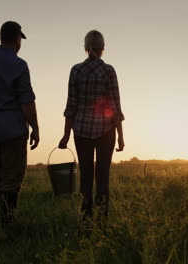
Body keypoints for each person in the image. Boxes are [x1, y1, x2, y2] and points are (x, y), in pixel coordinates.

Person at [0, 21, 39, 226]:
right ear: (17, 39)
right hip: (13, 131)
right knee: (12, 179)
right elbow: (26, 100)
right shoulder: (19, 65)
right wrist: (35, 128)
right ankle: (8, 224)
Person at [58, 30, 125, 219]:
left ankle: (86, 217)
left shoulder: (76, 70)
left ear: (86, 48)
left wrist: (65, 135)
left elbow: (71, 105)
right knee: (102, 176)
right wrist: (120, 135)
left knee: (86, 176)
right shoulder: (109, 70)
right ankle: (102, 218)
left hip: (81, 130)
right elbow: (115, 105)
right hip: (106, 131)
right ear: (103, 48)